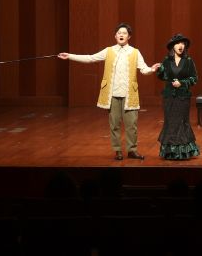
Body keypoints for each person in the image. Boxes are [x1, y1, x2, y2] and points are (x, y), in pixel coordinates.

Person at [58, 23, 159, 160]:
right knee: (114, 124)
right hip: (113, 94)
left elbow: (143, 69)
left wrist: (152, 69)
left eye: (124, 33)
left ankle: (132, 150)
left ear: (129, 36)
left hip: (129, 94)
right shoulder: (109, 51)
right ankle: (117, 150)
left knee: (132, 125)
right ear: (115, 36)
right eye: (119, 33)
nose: (121, 35)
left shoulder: (135, 52)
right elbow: (90, 58)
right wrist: (70, 56)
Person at [156, 33, 200, 160]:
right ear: (173, 46)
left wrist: (182, 83)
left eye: (182, 44)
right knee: (170, 122)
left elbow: (194, 78)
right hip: (169, 96)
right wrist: (160, 69)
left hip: (183, 97)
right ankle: (169, 152)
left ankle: (183, 152)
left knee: (182, 122)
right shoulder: (167, 60)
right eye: (177, 43)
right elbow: (163, 77)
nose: (180, 46)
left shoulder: (188, 61)